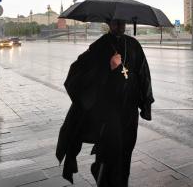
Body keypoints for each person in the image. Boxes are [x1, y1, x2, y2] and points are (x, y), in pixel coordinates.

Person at [56, 19, 154, 186]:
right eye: (116, 23)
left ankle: (122, 182)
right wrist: (108, 67)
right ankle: (104, 178)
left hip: (129, 111)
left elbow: (143, 73)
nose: (120, 26)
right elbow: (77, 73)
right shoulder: (99, 46)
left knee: (126, 151)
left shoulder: (133, 44)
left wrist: (145, 104)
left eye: (123, 23)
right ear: (109, 23)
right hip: (109, 111)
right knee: (111, 150)